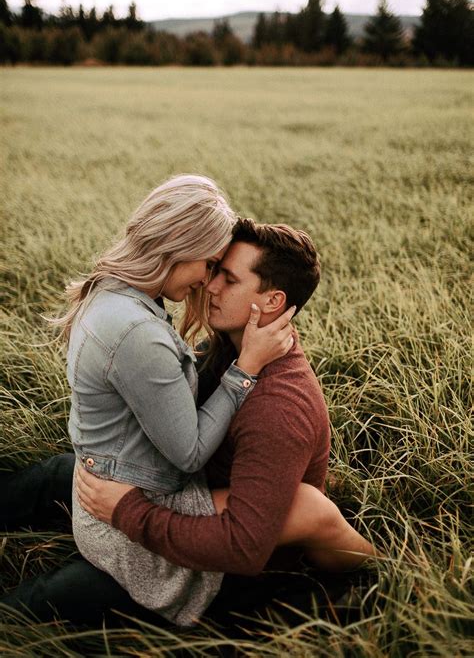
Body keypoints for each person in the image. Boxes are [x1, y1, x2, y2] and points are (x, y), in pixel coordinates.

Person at [1, 218, 377, 626]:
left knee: (66, 594)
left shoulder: (280, 407)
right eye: (214, 270)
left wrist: (127, 511)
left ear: (272, 301)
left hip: (222, 573)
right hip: (187, 491)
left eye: (229, 280)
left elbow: (242, 546)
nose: (210, 285)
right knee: (60, 473)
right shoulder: (228, 349)